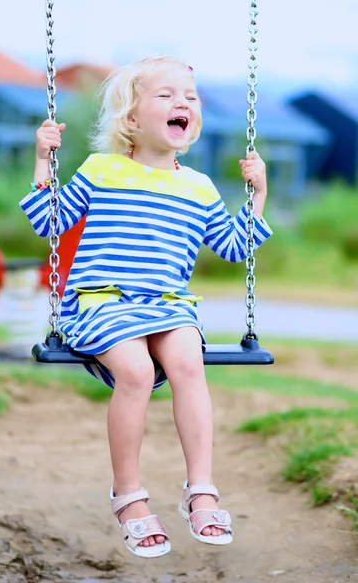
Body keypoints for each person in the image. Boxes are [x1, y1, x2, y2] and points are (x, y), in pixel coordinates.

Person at [20, 55, 272, 558]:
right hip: (102, 305)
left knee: (188, 360)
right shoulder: (102, 170)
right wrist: (43, 162)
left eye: (191, 98)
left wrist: (258, 194)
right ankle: (129, 496)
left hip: (168, 305)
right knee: (135, 372)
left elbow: (233, 246)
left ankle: (200, 489)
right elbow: (51, 223)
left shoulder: (198, 187)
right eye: (166, 95)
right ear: (132, 119)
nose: (183, 103)